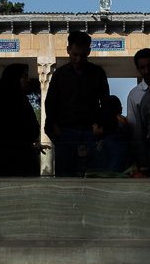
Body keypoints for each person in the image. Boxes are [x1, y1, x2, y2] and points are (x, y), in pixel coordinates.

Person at [43, 31, 110, 176]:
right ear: (68, 50)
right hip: (65, 133)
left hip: (89, 134)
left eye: (82, 55)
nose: (78, 59)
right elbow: (50, 103)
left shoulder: (97, 73)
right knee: (66, 176)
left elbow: (105, 103)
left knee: (91, 174)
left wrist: (99, 126)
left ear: (88, 52)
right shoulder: (60, 75)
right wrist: (55, 128)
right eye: (75, 55)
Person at [0, 63, 41, 176]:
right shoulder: (4, 103)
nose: (28, 80)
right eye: (24, 76)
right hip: (11, 160)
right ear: (14, 79)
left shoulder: (22, 100)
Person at [125, 48, 150, 168]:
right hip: (146, 150)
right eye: (142, 67)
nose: (147, 71)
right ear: (138, 69)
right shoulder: (134, 95)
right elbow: (133, 128)